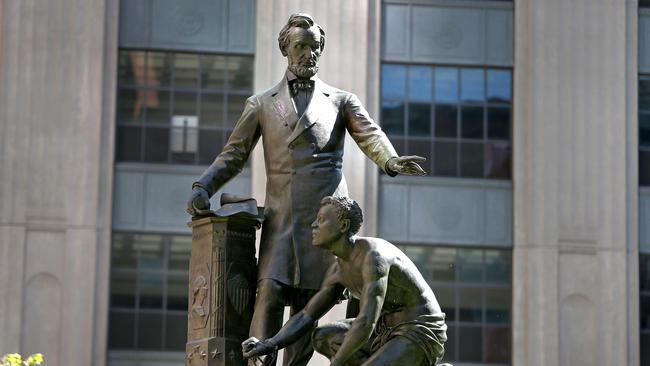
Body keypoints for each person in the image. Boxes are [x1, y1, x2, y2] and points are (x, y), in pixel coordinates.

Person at [186, 13, 426, 366]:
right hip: (281, 223)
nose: (308, 54)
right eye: (300, 46)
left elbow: (370, 134)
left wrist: (389, 161)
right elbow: (233, 155)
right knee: (267, 296)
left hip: (324, 223)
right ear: (286, 49)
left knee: (308, 309)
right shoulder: (262, 104)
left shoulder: (341, 100)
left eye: (314, 47)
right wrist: (203, 186)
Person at [242, 196, 447, 366]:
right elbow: (307, 315)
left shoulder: (373, 257)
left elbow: (366, 321)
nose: (313, 225)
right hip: (382, 331)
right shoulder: (337, 269)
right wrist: (270, 343)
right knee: (322, 336)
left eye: (321, 220)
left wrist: (337, 363)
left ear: (343, 225)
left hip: (417, 330)